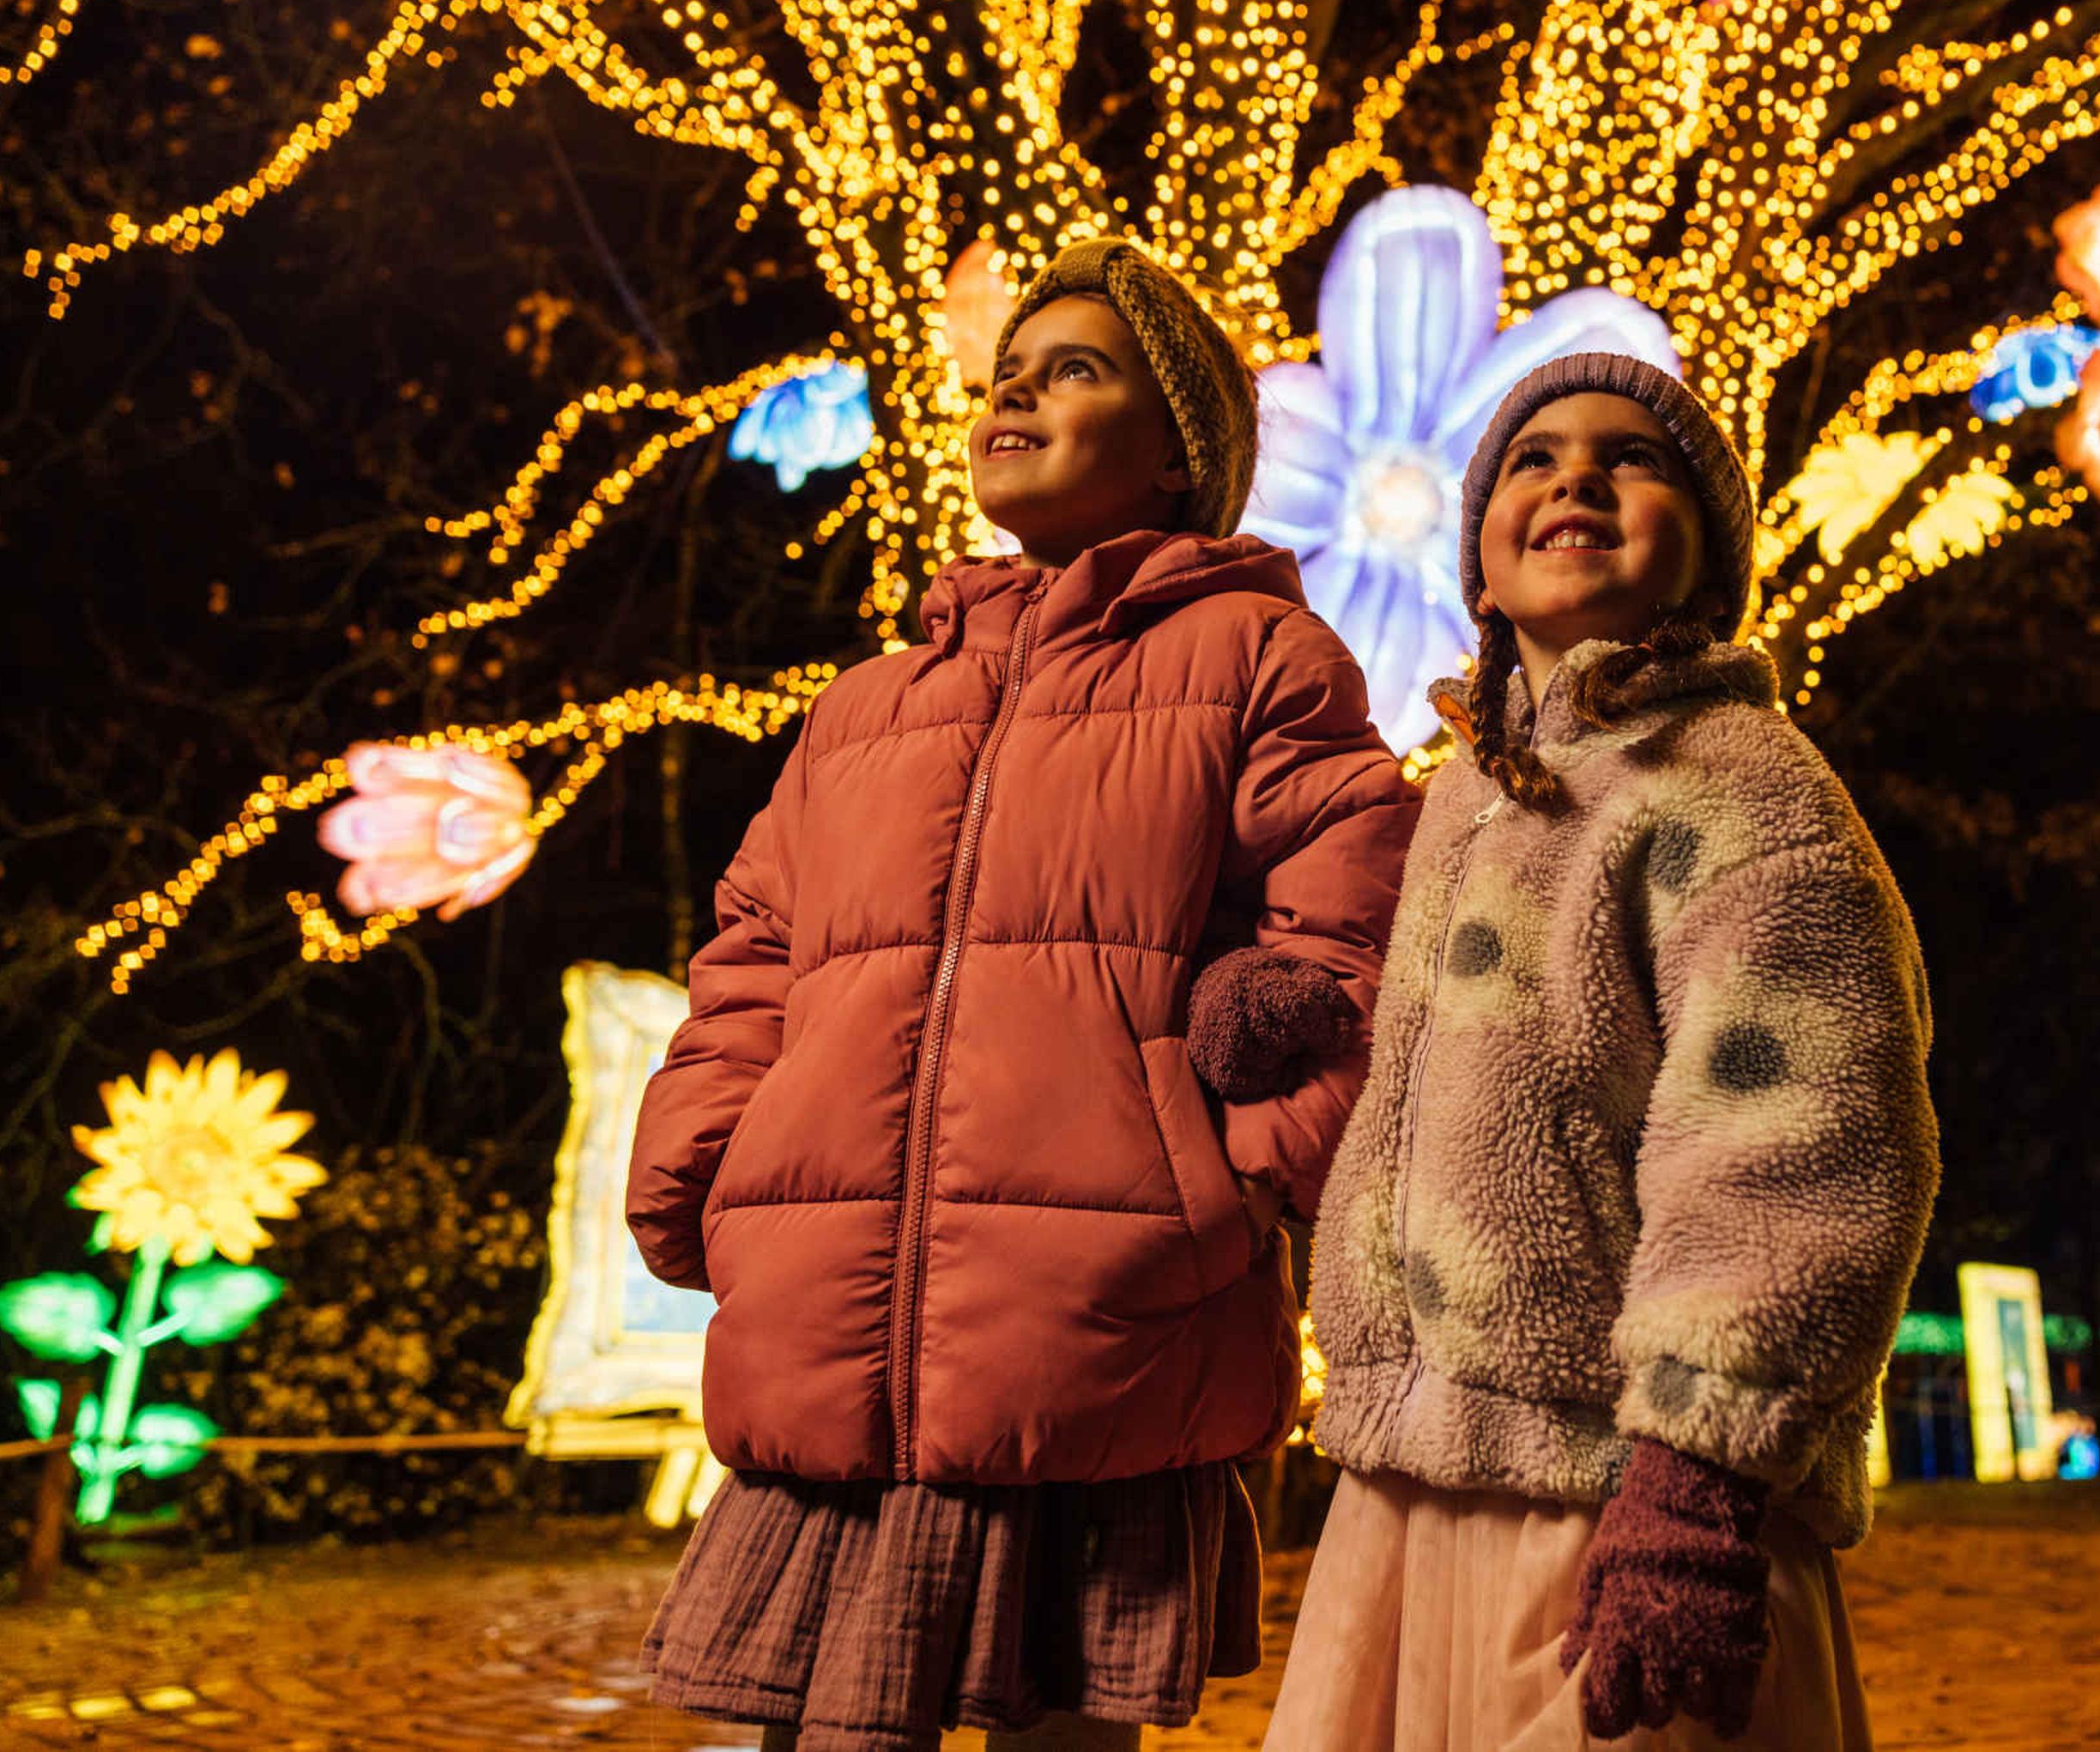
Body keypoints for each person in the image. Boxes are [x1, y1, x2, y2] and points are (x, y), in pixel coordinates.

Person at [628, 239, 1419, 1752]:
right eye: (1008, 372)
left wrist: (1232, 1170)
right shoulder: (867, 704)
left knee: (1063, 1730)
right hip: (829, 1336)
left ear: (1181, 446)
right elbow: (753, 959)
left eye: (1078, 370)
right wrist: (712, 1159)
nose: (1020, 394)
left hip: (1094, 1335)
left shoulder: (1259, 655)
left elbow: (1350, 937)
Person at [1268, 351, 1940, 1751]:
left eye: (1632, 456)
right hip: (1418, 1479)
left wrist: (1699, 1473)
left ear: (1707, 556)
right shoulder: (1466, 798)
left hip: (1622, 1487)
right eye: (1533, 456)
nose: (1576, 474)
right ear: (1479, 565)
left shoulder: (1740, 782)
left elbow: (1803, 1131)